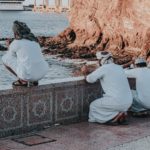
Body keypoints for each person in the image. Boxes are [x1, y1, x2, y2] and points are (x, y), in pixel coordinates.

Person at [83, 51, 132, 125]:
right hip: (129, 102)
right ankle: (120, 114)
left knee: (93, 106)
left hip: (117, 102)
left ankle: (113, 117)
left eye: (98, 60)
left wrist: (85, 72)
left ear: (102, 60)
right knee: (109, 106)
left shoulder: (104, 68)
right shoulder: (119, 67)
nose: (98, 62)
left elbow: (89, 79)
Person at [2, 20, 49, 87]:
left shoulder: (16, 42)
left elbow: (10, 57)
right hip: (42, 73)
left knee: (4, 58)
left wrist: (9, 47)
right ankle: (33, 81)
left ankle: (22, 81)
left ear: (15, 33)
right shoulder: (34, 41)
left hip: (29, 75)